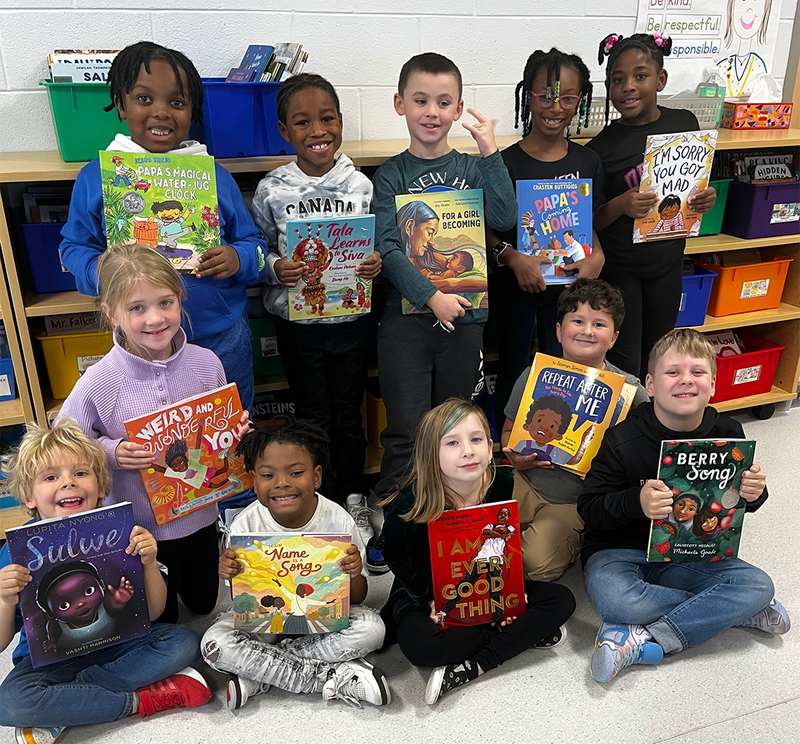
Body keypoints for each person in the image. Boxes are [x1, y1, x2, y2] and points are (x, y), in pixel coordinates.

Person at [59, 41, 267, 412]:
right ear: (121, 105)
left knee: (231, 431)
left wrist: (239, 258)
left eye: (176, 102)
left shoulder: (213, 176)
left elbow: (257, 244)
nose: (161, 112)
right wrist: (105, 273)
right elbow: (72, 248)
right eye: (143, 98)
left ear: (192, 112)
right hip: (141, 344)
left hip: (219, 337)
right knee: (153, 442)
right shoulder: (98, 178)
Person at [577, 328, 790, 684]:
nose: (685, 381)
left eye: (697, 372)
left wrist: (754, 494)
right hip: (618, 551)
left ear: (713, 385)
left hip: (691, 552)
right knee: (616, 599)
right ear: (650, 384)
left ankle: (643, 638)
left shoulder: (728, 431)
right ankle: (733, 611)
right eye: (672, 372)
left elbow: (734, 504)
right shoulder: (622, 438)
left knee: (758, 586)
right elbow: (589, 507)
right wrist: (636, 501)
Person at [57, 243, 247, 624]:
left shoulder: (207, 364)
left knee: (204, 604)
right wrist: (111, 452)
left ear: (180, 300)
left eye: (165, 303)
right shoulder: (99, 381)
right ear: (111, 314)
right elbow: (64, 446)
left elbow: (223, 429)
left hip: (200, 518)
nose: (155, 319)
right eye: (137, 308)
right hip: (140, 530)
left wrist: (237, 434)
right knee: (161, 619)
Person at [0, 419, 210, 744]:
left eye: (80, 473)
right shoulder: (14, 553)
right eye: (51, 477)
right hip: (51, 663)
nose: (68, 483)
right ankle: (140, 700)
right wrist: (4, 600)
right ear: (28, 496)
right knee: (10, 702)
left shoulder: (124, 531)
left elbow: (154, 613)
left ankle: (74, 703)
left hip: (122, 646)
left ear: (101, 487)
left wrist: (150, 562)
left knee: (185, 641)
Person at [372, 52, 517, 519]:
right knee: (408, 425)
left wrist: (490, 151)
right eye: (420, 101)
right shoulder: (391, 175)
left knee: (458, 423)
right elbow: (389, 248)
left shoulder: (474, 168)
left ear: (457, 110)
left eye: (443, 102)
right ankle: (396, 512)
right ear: (400, 104)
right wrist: (431, 296)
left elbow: (504, 218)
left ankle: (456, 510)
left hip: (465, 318)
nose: (431, 112)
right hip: (407, 320)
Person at [380, 399, 575, 704]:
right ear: (432, 454)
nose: (468, 451)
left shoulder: (503, 483)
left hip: (488, 584)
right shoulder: (413, 499)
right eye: (453, 442)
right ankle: (518, 634)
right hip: (429, 591)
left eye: (476, 439)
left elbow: (505, 545)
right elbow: (395, 554)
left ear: (489, 444)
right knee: (421, 647)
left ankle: (476, 665)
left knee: (562, 599)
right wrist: (428, 598)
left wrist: (509, 591)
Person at [251, 73, 381, 514]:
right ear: (286, 131)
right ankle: (319, 504)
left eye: (327, 119)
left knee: (349, 414)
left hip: (351, 322)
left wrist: (374, 264)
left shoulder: (362, 185)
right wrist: (274, 268)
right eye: (302, 122)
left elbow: (373, 247)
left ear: (341, 122)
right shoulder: (271, 189)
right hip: (297, 324)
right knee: (312, 416)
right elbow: (260, 248)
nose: (318, 131)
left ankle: (353, 498)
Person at [201, 422, 390, 710]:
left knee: (373, 628)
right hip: (265, 624)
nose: (281, 483)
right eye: (267, 475)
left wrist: (353, 573)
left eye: (296, 472)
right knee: (214, 644)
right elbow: (242, 601)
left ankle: (261, 672)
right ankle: (333, 677)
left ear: (316, 477)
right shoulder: (245, 524)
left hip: (322, 620)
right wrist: (229, 573)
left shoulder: (337, 519)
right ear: (254, 480)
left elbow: (359, 596)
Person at [488, 48, 607, 428]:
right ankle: (507, 447)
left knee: (564, 368)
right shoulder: (504, 162)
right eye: (545, 95)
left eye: (568, 97)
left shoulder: (587, 162)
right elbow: (480, 227)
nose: (556, 107)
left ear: (580, 101)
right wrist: (511, 256)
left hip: (567, 295)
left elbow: (591, 227)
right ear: (528, 97)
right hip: (515, 290)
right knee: (512, 365)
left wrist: (597, 256)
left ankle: (557, 437)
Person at [500, 279, 649, 582]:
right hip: (525, 480)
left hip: (576, 501)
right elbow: (508, 432)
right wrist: (516, 459)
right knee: (467, 533)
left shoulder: (631, 391)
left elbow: (646, 455)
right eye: (578, 321)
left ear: (614, 338)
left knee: (534, 566)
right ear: (558, 331)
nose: (587, 330)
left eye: (599, 324)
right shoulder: (534, 374)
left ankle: (575, 536)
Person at [588, 33, 717, 379]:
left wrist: (706, 198)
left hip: (668, 262)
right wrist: (620, 204)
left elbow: (697, 187)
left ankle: (656, 422)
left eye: (640, 76)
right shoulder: (601, 148)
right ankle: (630, 423)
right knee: (626, 358)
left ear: (660, 79)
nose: (628, 87)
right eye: (618, 79)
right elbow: (593, 220)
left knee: (661, 352)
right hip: (622, 269)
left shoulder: (684, 124)